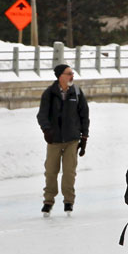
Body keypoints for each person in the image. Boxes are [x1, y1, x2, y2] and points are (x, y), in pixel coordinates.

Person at [36, 64, 89, 215]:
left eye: (72, 73)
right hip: (54, 140)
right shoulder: (50, 93)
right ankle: (48, 201)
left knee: (69, 172)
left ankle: (68, 201)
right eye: (69, 73)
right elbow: (42, 115)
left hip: (72, 139)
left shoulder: (77, 92)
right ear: (60, 76)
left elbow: (84, 115)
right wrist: (46, 130)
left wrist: (84, 137)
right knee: (51, 171)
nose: (72, 76)